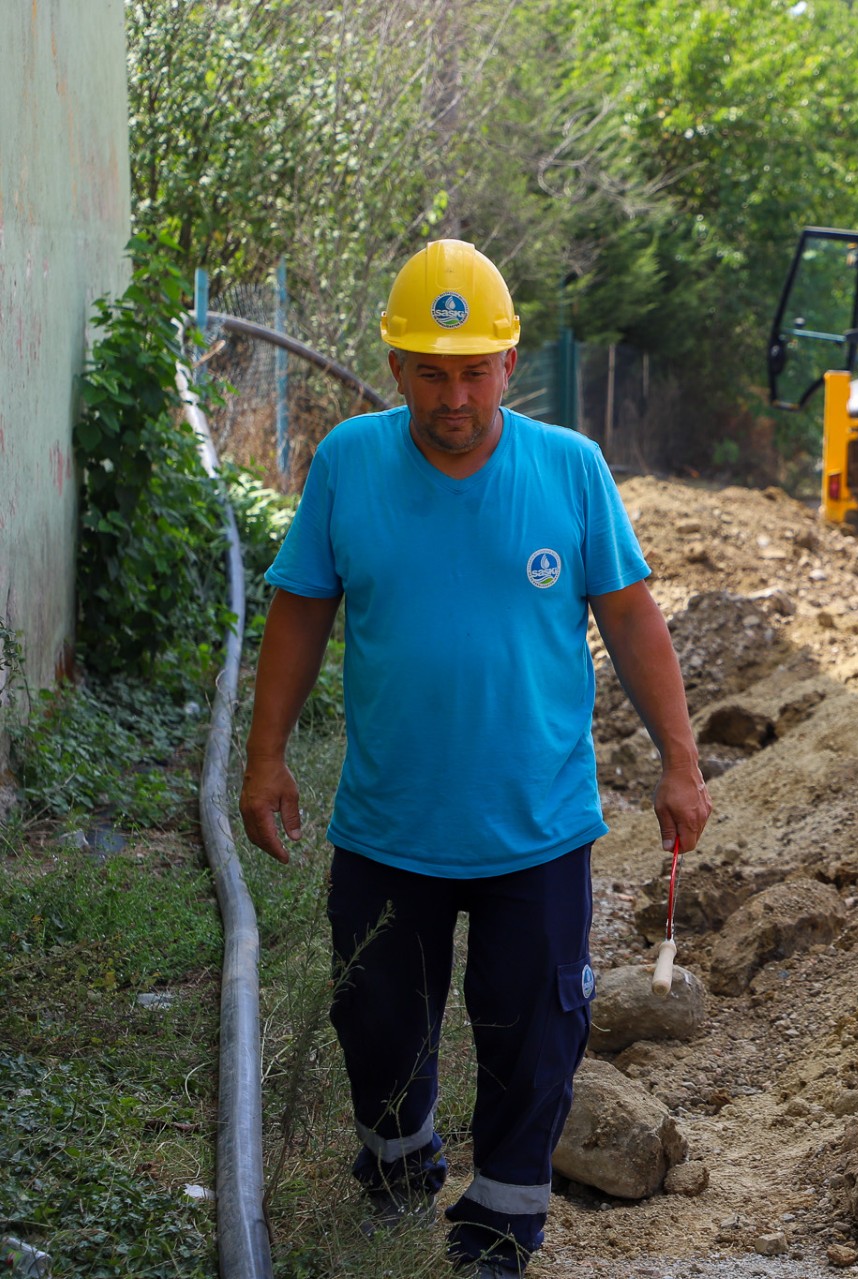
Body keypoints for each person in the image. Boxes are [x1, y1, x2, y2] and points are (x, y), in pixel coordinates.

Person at [238, 240, 710, 1277]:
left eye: (474, 370)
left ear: (509, 361)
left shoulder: (569, 470)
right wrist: (265, 755)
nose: (454, 397)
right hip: (388, 823)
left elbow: (632, 619)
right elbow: (301, 609)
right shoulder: (349, 464)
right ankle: (401, 1163)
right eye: (431, 371)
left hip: (534, 828)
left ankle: (500, 1222)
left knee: (533, 1037)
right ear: (395, 364)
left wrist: (681, 758)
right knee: (375, 1019)